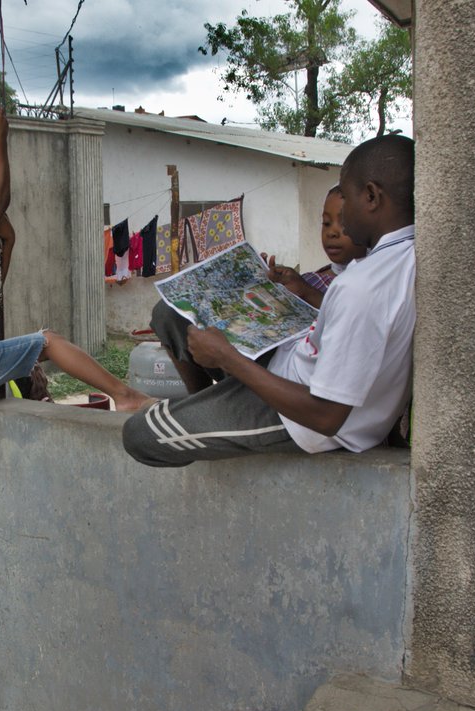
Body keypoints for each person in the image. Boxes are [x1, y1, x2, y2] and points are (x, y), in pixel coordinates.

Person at [0, 109, 152, 598]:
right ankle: (123, 395)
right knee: (48, 340)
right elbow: (2, 199)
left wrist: (5, 234)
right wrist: (0, 140)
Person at [122, 134, 416, 466]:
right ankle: (212, 406)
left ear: (372, 196)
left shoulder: (363, 285)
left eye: (345, 199)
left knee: (139, 436)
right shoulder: (402, 257)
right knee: (174, 313)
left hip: (303, 420)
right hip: (294, 370)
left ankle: (218, 413)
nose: (341, 217)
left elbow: (325, 416)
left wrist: (228, 357)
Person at [151, 184, 369, 394]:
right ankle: (200, 397)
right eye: (326, 223)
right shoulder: (314, 277)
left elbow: (348, 325)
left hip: (288, 380)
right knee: (167, 313)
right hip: (251, 354)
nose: (332, 233)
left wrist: (306, 293)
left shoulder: (364, 284)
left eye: (344, 224)